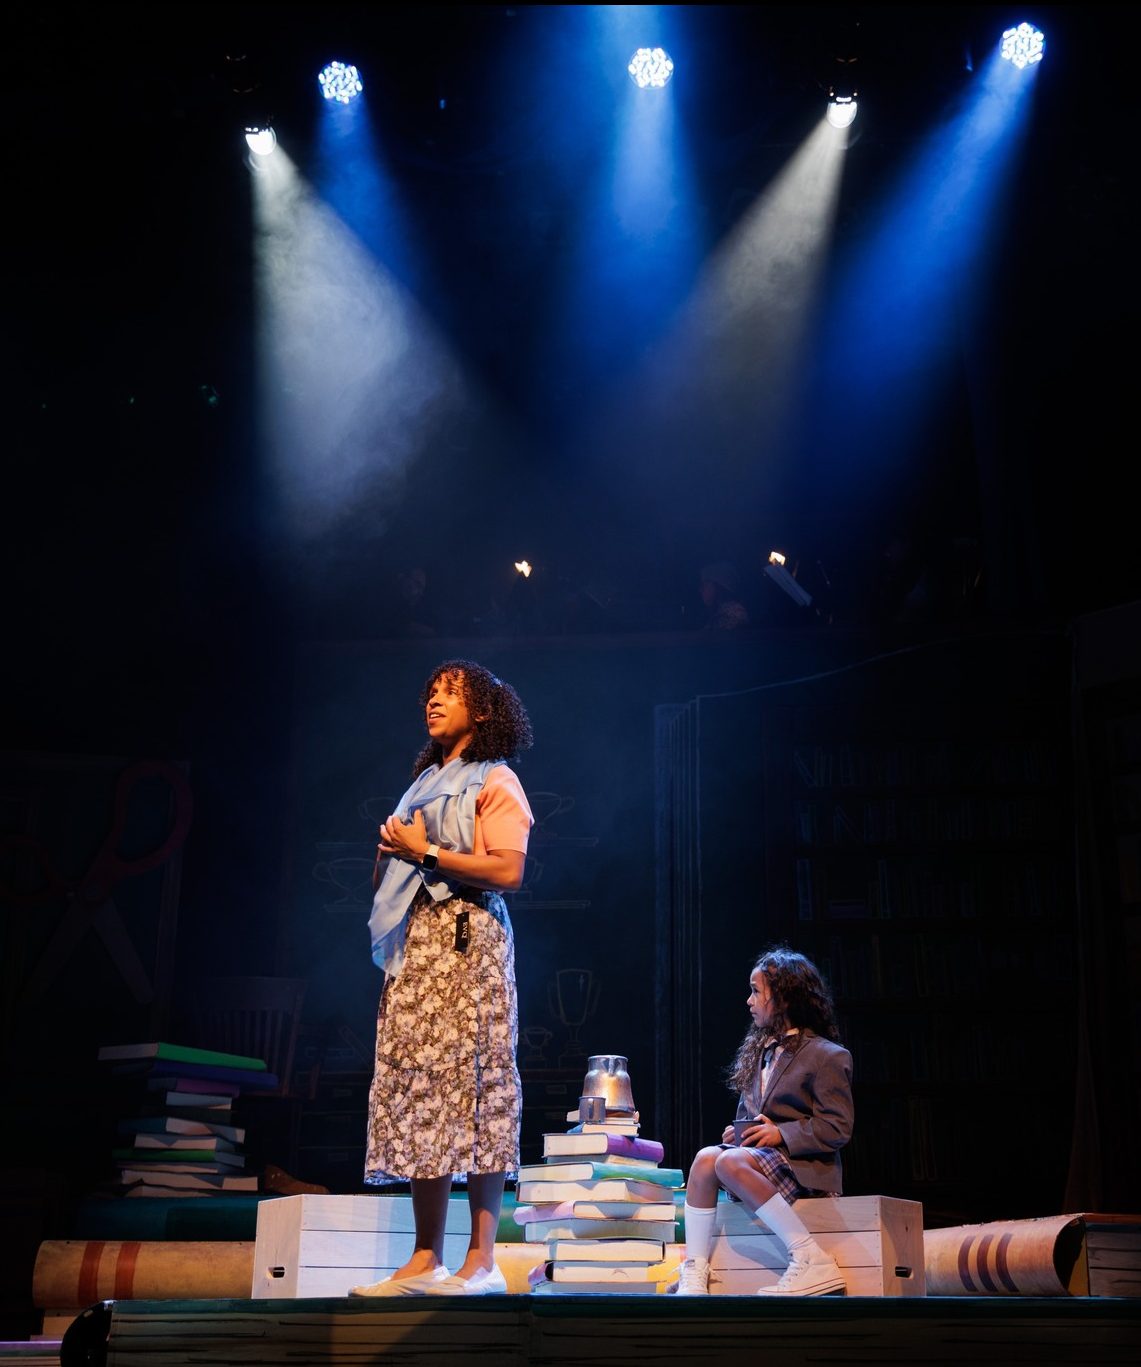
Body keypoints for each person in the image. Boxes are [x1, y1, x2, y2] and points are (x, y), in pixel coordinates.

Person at [348, 659, 534, 1298]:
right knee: (425, 1093)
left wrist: (424, 852)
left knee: (474, 1088)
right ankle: (425, 1255)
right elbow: (389, 881)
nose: (433, 701)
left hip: (468, 945)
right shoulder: (423, 782)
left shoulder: (496, 780)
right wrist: (390, 853)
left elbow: (507, 871)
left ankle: (480, 1260)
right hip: (418, 952)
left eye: (448, 694)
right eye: (429, 692)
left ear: (481, 710)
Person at [675, 946, 853, 1297]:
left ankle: (808, 1257)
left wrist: (779, 1134)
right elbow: (751, 1116)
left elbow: (837, 1127)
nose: (748, 1000)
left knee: (728, 1160)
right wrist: (739, 1131)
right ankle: (695, 1271)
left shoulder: (828, 1055)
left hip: (803, 1168)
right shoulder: (760, 1053)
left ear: (784, 998)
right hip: (759, 1164)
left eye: (757, 991)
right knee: (706, 1159)